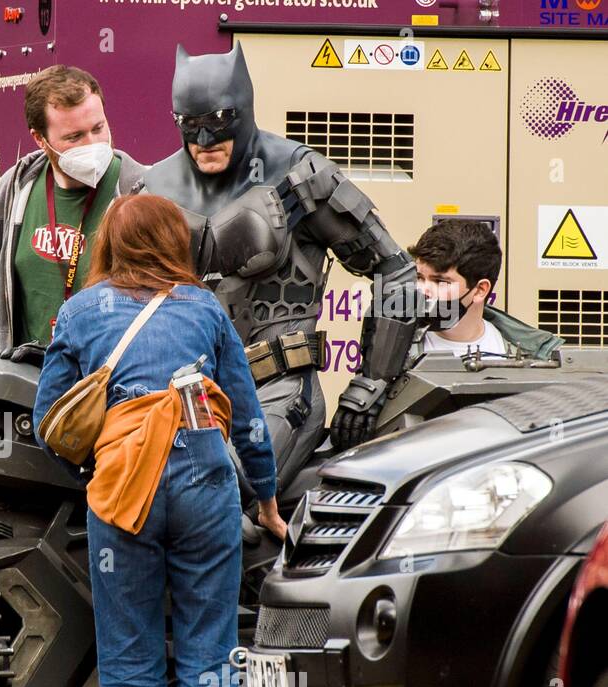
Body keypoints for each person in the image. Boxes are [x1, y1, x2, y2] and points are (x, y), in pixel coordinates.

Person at [34, 193, 286, 687]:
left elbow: (46, 421)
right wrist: (265, 499)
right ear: (178, 243)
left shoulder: (80, 311)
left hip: (122, 492)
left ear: (108, 247)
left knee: (129, 647)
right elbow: (252, 419)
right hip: (205, 481)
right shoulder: (204, 307)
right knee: (210, 636)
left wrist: (107, 455)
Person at [0, 64, 146, 687]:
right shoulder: (15, 193)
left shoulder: (138, 189)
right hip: (29, 412)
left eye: (98, 128)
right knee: (26, 595)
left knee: (107, 599)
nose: (92, 145)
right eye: (74, 136)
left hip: (115, 417)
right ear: (40, 139)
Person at [139, 43, 420, 472]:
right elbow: (113, 291)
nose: (204, 140)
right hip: (175, 390)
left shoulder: (299, 175)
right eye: (190, 125)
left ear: (243, 110)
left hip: (277, 388)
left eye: (217, 122)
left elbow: (395, 270)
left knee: (224, 487)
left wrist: (371, 382)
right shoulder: (150, 186)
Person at [408, 218, 563, 359]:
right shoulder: (393, 348)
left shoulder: (536, 355)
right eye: (419, 278)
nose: (422, 290)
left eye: (440, 281)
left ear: (480, 290)